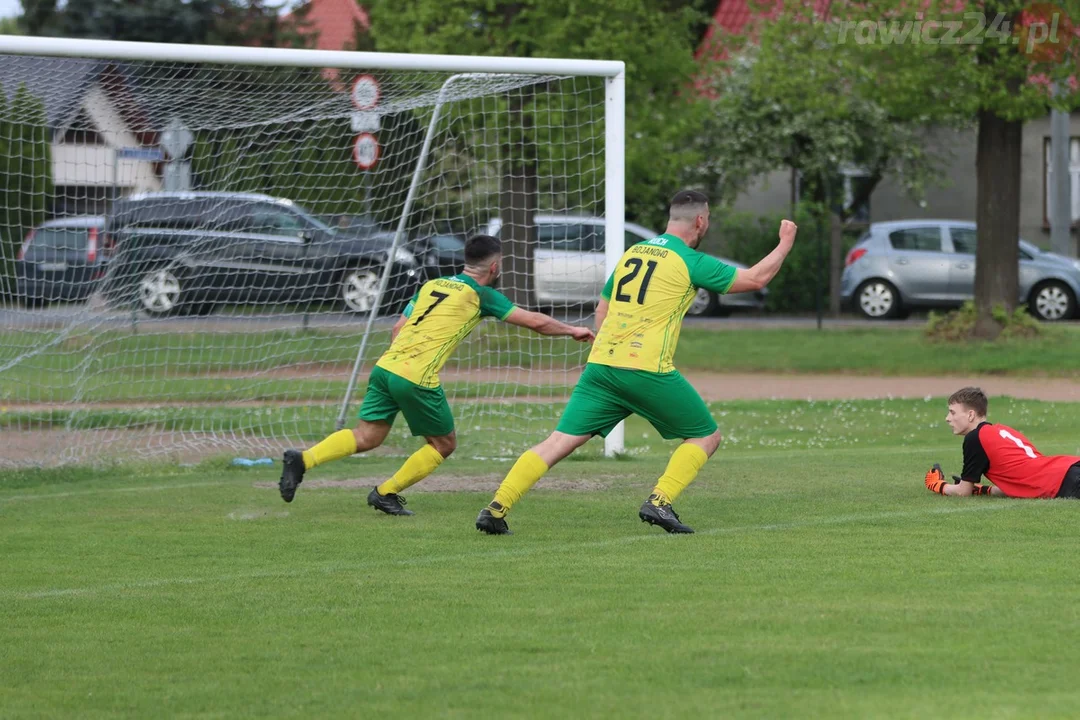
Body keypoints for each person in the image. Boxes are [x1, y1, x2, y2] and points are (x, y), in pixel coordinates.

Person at [475, 190, 798, 535]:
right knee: (706, 436)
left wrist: (608, 349)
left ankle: (496, 507)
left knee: (557, 442)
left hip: (601, 366)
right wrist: (785, 242)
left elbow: (603, 306)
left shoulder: (634, 253)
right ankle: (659, 502)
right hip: (646, 368)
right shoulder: (690, 260)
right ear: (701, 221)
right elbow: (756, 279)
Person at [279, 234, 595, 514]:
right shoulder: (481, 295)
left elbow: (398, 327)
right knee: (444, 444)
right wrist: (572, 330)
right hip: (416, 376)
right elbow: (536, 322)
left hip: (386, 367)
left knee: (368, 436)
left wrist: (398, 366)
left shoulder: (433, 285)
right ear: (495, 268)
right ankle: (385, 493)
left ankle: (303, 460)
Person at [924, 386, 1080, 499]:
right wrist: (983, 490)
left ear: (970, 415)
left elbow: (962, 492)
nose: (947, 418)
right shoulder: (1001, 430)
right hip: (1067, 469)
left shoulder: (974, 438)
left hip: (1067, 480)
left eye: (952, 412)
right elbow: (1021, 482)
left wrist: (938, 485)